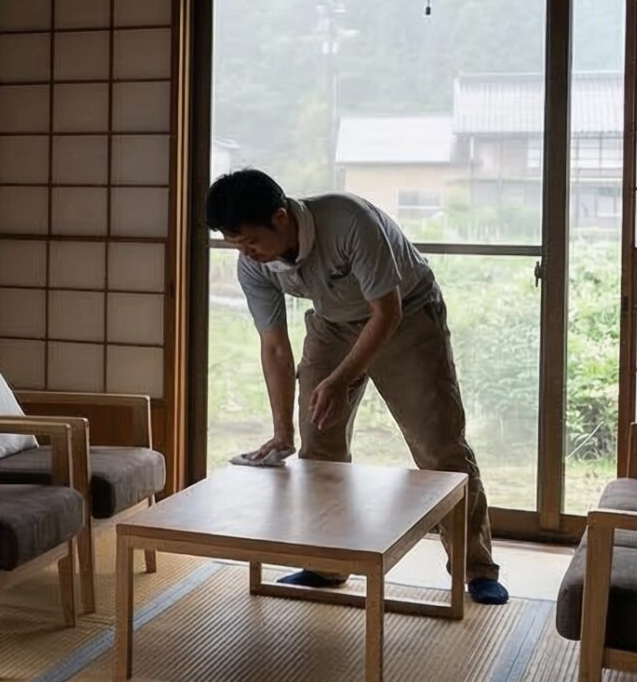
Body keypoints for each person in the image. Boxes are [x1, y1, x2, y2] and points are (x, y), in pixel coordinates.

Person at [205, 168, 508, 606]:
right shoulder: (255, 266)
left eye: (250, 241)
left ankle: (476, 568)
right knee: (317, 445)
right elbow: (273, 347)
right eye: (235, 245)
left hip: (406, 315)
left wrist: (340, 380)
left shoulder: (348, 221)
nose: (246, 254)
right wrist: (282, 431)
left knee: (439, 448)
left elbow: (387, 312)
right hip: (333, 324)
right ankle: (326, 564)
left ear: (280, 217)